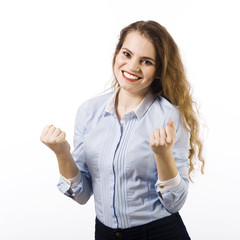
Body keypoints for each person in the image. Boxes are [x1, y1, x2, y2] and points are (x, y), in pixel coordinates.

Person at [40, 20, 205, 240]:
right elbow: (81, 195)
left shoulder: (169, 117)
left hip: (159, 234)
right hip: (105, 234)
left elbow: (175, 203)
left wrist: (163, 155)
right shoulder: (89, 112)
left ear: (158, 71)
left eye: (146, 61)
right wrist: (61, 153)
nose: (133, 67)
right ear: (117, 54)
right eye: (127, 54)